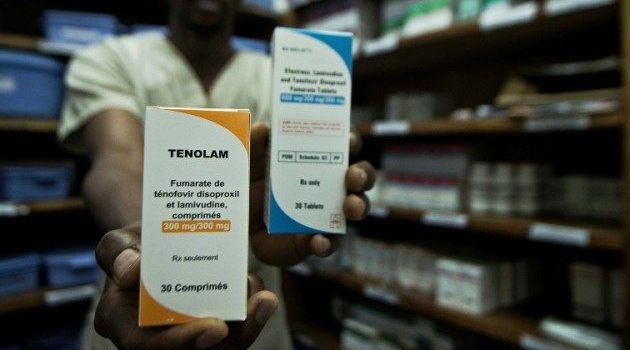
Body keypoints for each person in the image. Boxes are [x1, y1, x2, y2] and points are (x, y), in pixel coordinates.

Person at [58, 0, 375, 349]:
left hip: (253, 310)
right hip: (139, 305)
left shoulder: (282, 73)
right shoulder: (111, 59)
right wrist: (159, 259)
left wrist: (320, 197)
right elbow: (117, 161)